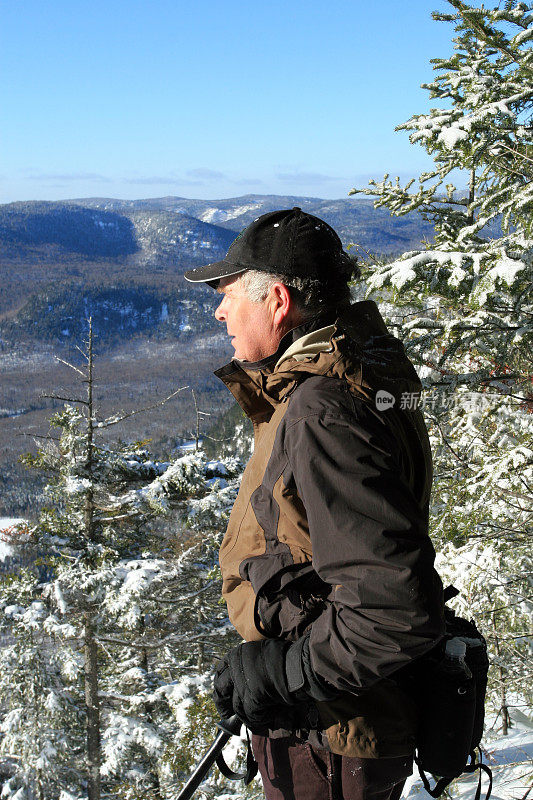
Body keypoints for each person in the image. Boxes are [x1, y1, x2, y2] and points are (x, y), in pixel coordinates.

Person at [184, 207, 445, 800]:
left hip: (330, 729)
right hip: (342, 713)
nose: (220, 311)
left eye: (227, 294)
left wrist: (283, 671)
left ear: (277, 300)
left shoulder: (322, 408)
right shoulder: (357, 375)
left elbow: (392, 608)